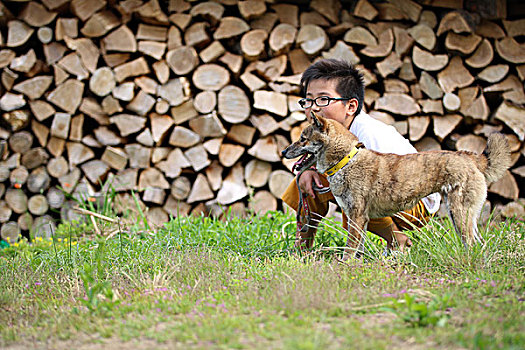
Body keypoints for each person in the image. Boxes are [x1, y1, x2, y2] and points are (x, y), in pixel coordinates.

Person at [281, 58, 441, 252]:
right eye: (309, 99)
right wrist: (308, 170)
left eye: (323, 99)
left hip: (413, 201)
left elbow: (382, 182)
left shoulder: (368, 134)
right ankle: (302, 247)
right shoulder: (327, 134)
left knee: (349, 184)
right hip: (382, 193)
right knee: (307, 179)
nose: (314, 107)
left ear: (351, 106)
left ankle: (394, 240)